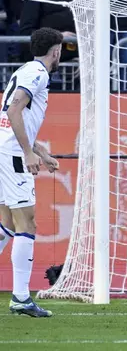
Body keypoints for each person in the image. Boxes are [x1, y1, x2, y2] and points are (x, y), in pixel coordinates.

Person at [0, 27, 63, 317]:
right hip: (11, 154)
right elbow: (14, 111)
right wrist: (27, 153)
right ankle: (22, 298)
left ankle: (21, 297)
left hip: (5, 149)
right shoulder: (38, 74)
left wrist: (40, 152)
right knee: (27, 223)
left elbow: (17, 117)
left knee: (6, 222)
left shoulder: (25, 70)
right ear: (56, 51)